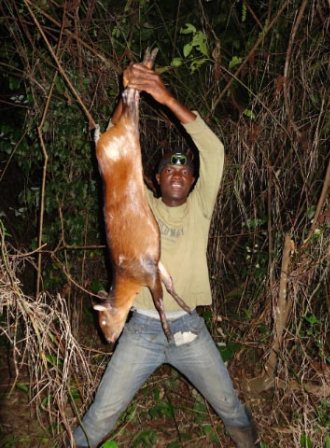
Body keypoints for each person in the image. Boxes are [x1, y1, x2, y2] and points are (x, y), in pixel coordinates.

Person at [72, 62, 259, 447]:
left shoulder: (200, 208)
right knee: (98, 420)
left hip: (189, 328)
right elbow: (115, 150)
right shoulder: (140, 209)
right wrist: (128, 94)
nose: (177, 173)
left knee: (231, 408)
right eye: (168, 169)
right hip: (140, 330)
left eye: (185, 170)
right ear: (156, 180)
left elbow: (214, 149)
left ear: (193, 181)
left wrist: (164, 96)